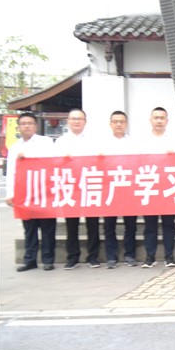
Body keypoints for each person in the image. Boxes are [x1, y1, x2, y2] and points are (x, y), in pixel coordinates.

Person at [6, 112, 56, 272]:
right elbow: (11, 172)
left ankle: (48, 259)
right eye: (23, 123)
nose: (26, 126)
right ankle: (30, 260)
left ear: (36, 126)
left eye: (29, 123)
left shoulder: (46, 142)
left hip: (44, 193)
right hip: (25, 195)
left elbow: (51, 160)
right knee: (29, 229)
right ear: (19, 127)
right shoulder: (14, 147)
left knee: (48, 228)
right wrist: (10, 193)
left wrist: (27, 157)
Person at [55, 109, 101, 269]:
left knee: (93, 224)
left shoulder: (93, 141)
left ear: (85, 122)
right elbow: (53, 164)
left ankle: (93, 256)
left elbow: (99, 161)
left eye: (79, 119)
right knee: (71, 224)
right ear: (68, 121)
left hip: (89, 185)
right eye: (73, 119)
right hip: (70, 186)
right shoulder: (60, 142)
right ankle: (72, 257)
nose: (76, 122)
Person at [140, 107, 175, 268]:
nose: (159, 121)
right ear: (150, 120)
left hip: (168, 187)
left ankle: (169, 256)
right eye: (156, 118)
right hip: (149, 186)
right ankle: (150, 256)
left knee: (169, 224)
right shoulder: (142, 141)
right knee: (149, 224)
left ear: (167, 121)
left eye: (162, 118)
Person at [101, 110, 139, 269]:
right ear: (110, 124)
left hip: (128, 188)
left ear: (126, 124)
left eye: (121, 122)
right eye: (115, 122)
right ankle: (111, 256)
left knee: (131, 225)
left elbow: (139, 162)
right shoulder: (102, 144)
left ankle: (130, 255)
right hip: (109, 189)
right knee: (109, 225)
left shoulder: (133, 143)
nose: (118, 124)